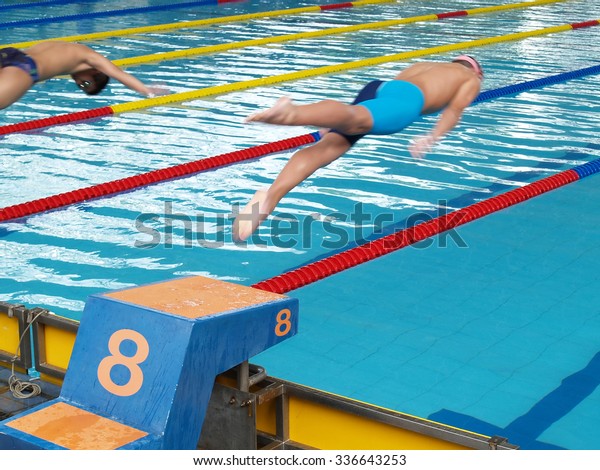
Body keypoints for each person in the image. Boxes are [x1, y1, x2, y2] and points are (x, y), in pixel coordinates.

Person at [233, 55, 483, 242]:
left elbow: (392, 89)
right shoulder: (470, 79)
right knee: (355, 119)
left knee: (330, 145)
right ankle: (293, 113)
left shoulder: (427, 66)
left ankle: (270, 197)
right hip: (407, 100)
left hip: (379, 88)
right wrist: (432, 136)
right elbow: (454, 110)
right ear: (476, 71)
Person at [0, 41, 168, 110]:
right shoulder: (90, 58)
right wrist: (147, 91)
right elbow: (119, 74)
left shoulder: (71, 47)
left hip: (9, 55)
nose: (79, 83)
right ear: (96, 71)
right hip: (24, 69)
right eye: (86, 84)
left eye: (81, 87)